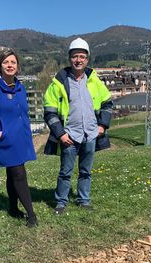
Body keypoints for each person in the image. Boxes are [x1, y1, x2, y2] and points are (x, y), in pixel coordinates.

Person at [43, 38, 113, 214]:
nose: (78, 60)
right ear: (69, 58)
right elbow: (49, 112)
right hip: (69, 136)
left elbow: (107, 103)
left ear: (87, 59)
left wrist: (102, 126)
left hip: (90, 134)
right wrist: (60, 134)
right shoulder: (58, 83)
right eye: (75, 56)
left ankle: (84, 200)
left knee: (86, 171)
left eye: (82, 56)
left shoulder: (95, 81)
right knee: (65, 172)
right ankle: (61, 203)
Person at [0, 50, 38, 227]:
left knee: (12, 174)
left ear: (17, 67)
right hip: (7, 139)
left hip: (22, 137)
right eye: (6, 62)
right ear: (0, 66)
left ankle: (12, 208)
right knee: (19, 174)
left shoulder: (20, 87)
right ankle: (31, 215)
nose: (10, 65)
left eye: (13, 62)